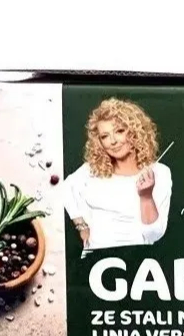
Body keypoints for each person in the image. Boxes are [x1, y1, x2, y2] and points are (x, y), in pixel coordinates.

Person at [64, 98, 172, 252]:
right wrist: (81, 225)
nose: (113, 141)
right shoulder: (92, 169)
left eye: (119, 131)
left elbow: (154, 234)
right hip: (94, 257)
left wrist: (146, 197)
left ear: (135, 132)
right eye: (105, 136)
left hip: (137, 258)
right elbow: (65, 190)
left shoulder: (159, 172)